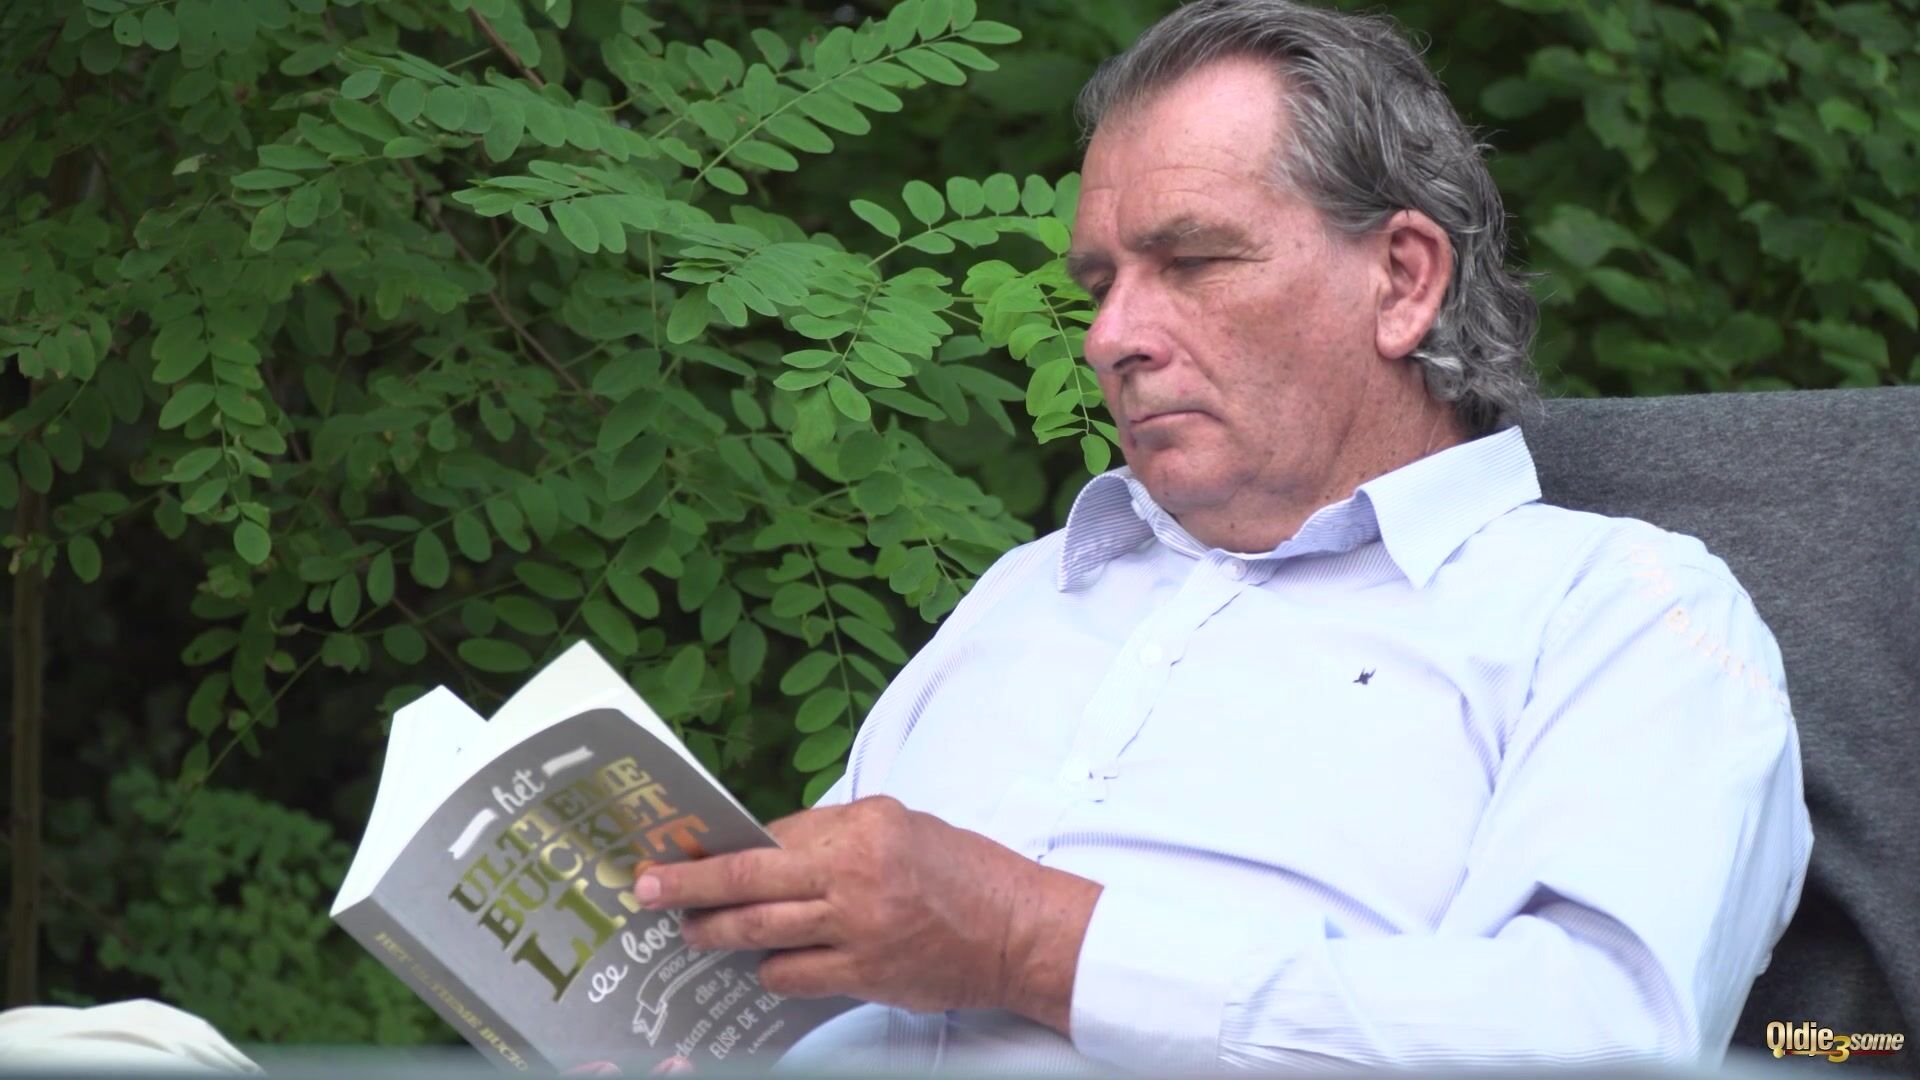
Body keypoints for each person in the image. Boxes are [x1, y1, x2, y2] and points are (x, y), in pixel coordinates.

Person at [629, 0, 1813, 1072]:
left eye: (1191, 261)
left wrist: (1033, 944)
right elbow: (811, 967)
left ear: (1403, 280)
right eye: (1100, 282)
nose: (1108, 338)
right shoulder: (1031, 589)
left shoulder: (1613, 611)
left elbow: (1607, 1036)